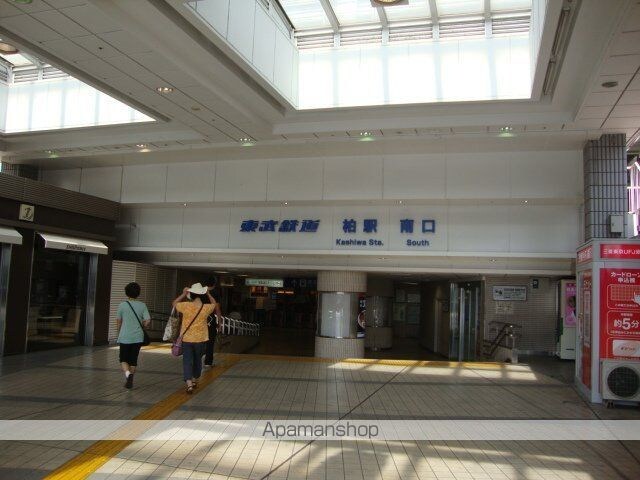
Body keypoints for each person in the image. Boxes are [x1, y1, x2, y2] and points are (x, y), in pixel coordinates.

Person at [172, 283, 216, 393]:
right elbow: (214, 304)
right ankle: (195, 379)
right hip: (200, 339)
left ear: (190, 294)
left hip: (187, 339)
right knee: (197, 360)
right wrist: (209, 294)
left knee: (187, 361)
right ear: (202, 295)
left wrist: (183, 294)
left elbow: (174, 303)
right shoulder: (205, 308)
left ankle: (189, 384)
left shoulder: (186, 306)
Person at [116, 282, 150, 389]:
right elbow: (147, 320)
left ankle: (128, 375)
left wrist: (119, 332)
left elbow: (118, 321)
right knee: (133, 360)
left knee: (123, 359)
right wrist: (143, 325)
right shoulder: (142, 305)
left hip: (125, 336)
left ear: (126, 292)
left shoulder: (122, 305)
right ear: (138, 293)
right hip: (138, 337)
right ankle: (130, 378)